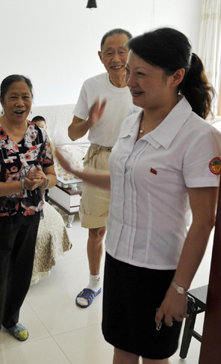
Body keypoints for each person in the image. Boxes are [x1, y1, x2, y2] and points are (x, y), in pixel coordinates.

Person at [57, 27, 221, 363]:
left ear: (176, 76)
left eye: (141, 74)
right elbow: (122, 178)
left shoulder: (198, 138)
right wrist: (76, 172)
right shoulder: (134, 122)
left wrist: (179, 289)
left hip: (158, 268)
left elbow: (204, 222)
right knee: (122, 345)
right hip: (119, 258)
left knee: (153, 355)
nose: (129, 81)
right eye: (129, 71)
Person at [0, 75, 56, 353]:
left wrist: (42, 180)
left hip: (30, 214)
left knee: (21, 273)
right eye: (13, 97)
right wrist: (21, 184)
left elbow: (53, 176)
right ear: (2, 101)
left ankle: (10, 320)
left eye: (26, 97)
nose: (20, 103)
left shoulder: (40, 134)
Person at [68, 28, 135, 308]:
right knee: (96, 230)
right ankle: (94, 283)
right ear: (100, 56)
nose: (116, 57)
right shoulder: (91, 85)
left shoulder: (142, 84)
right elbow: (72, 134)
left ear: (132, 54)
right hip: (99, 160)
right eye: (110, 52)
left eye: (122, 50)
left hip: (134, 161)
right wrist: (90, 120)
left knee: (132, 229)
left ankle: (128, 284)